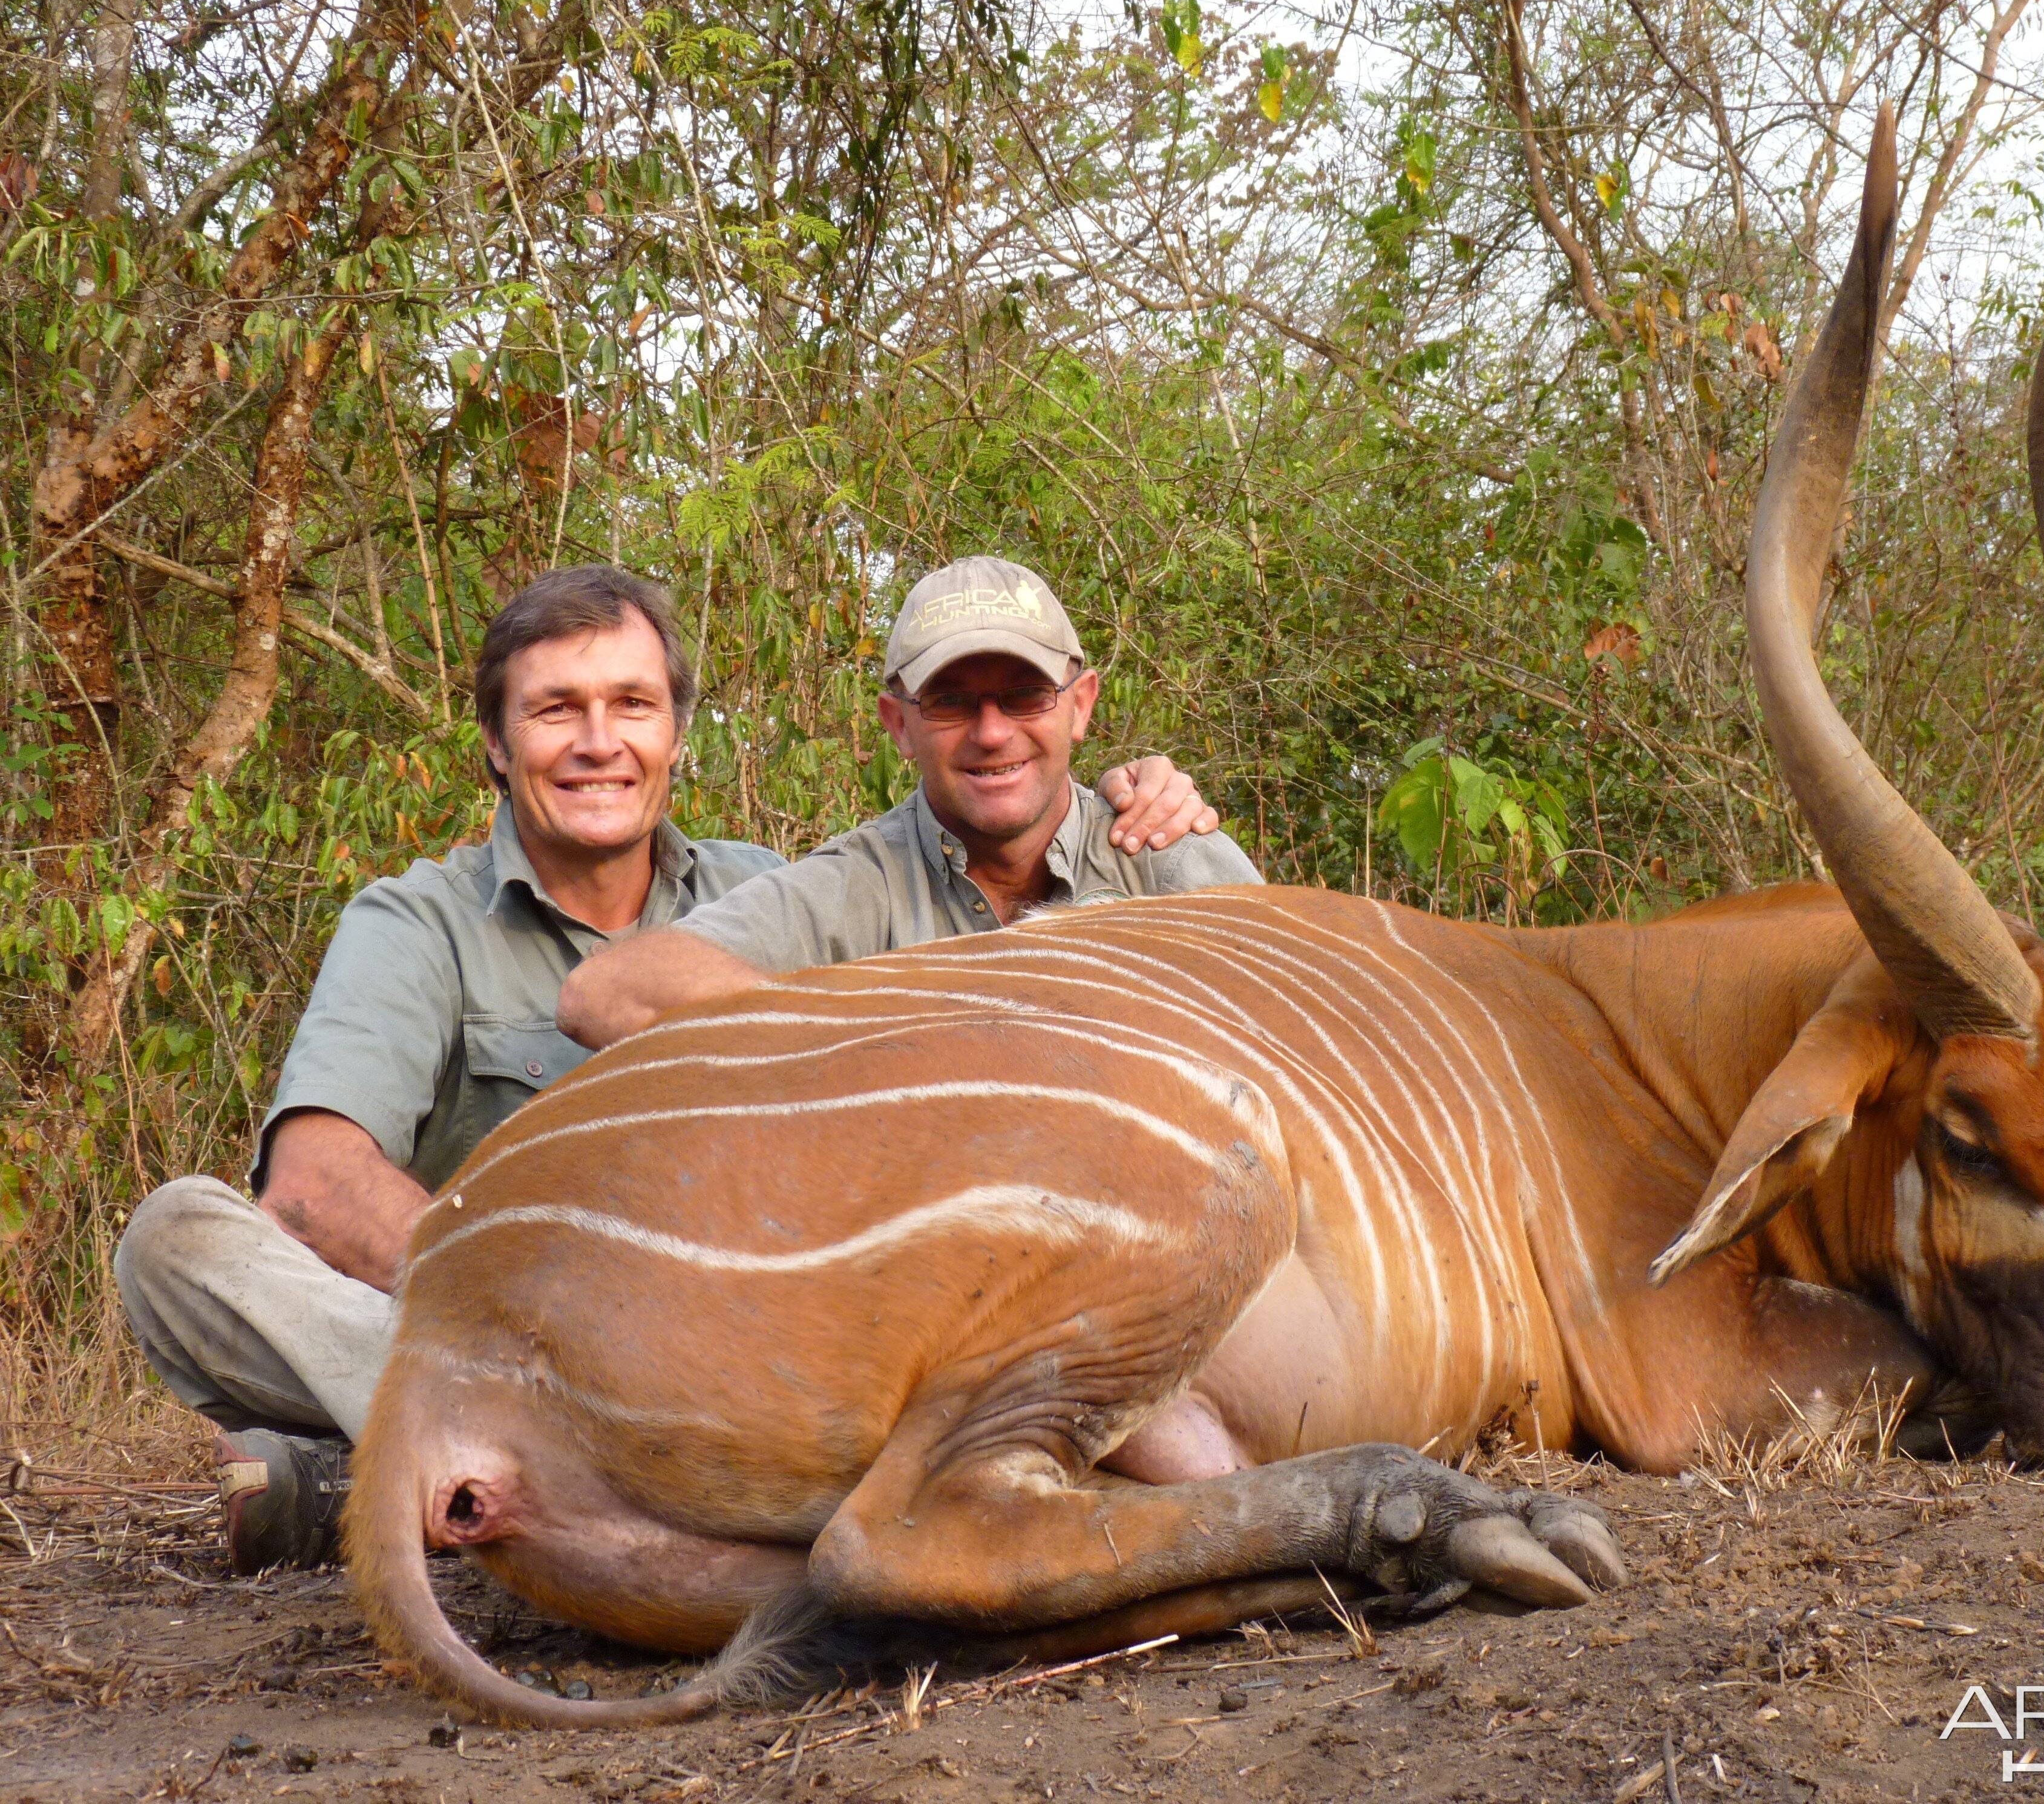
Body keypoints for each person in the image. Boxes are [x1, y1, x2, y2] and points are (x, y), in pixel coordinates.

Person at [111, 562, 1228, 1573]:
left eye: (631, 707)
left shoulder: (766, 891)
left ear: (675, 733)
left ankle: (414, 1482)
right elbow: (311, 1186)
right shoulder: (418, 922)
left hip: (759, 1350)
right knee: (179, 1239)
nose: (600, 743)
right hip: (495, 1326)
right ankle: (536, 1450)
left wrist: (1137, 806)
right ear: (498, 743)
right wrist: (548, 1322)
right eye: (557, 710)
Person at [557, 554, 1262, 1048]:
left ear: (1080, 707)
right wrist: (898, 1041)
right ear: (899, 725)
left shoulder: (1169, 858)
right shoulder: (857, 885)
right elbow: (606, 994)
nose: (992, 733)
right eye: (951, 703)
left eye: (1024, 696)